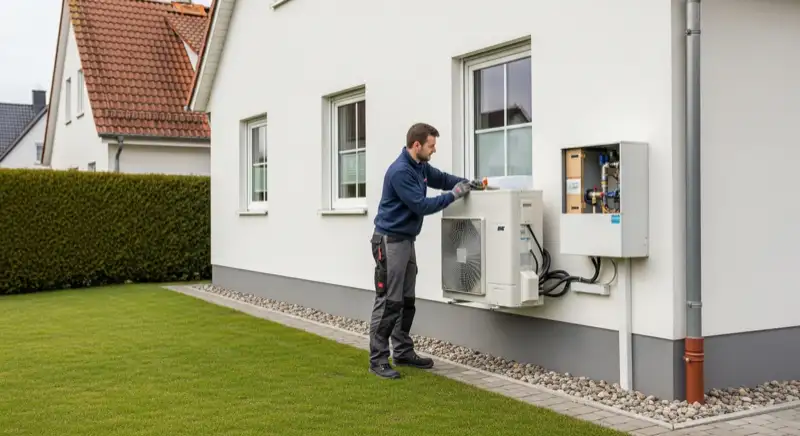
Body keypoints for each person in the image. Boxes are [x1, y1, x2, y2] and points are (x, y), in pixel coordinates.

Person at [368, 122, 472, 379]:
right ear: (417, 145)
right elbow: (421, 205)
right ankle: (378, 360)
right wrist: (454, 195)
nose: (434, 150)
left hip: (405, 241)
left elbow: (442, 179)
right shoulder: (400, 172)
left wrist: (467, 183)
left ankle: (402, 351)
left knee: (407, 301)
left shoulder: (420, 166)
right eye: (431, 146)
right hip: (390, 242)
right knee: (389, 301)